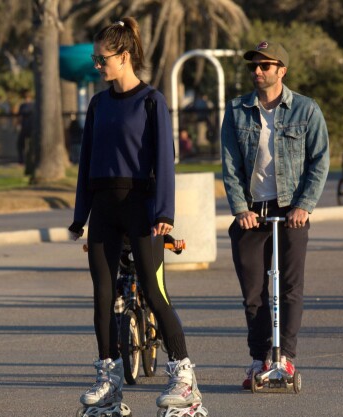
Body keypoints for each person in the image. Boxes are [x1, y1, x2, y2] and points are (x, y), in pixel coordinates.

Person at [68, 17, 205, 415]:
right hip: (104, 208)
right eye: (95, 58)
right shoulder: (97, 104)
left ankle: (184, 379)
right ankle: (108, 381)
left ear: (124, 56)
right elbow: (85, 164)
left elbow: (165, 159)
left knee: (153, 290)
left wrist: (164, 211)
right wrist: (80, 216)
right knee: (102, 296)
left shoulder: (151, 101)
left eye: (102, 58)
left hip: (142, 208)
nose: (97, 65)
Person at [221, 41, 330, 390]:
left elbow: (320, 160)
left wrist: (304, 205)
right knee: (254, 291)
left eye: (265, 66)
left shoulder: (306, 110)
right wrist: (240, 209)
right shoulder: (237, 110)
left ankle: (285, 358)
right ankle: (259, 357)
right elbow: (230, 165)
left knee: (290, 288)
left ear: (282, 70)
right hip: (252, 213)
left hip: (291, 210)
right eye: (254, 65)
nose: (257, 71)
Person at [16, 89, 35, 165]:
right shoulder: (22, 106)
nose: (26, 99)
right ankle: (21, 160)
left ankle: (32, 160)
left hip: (32, 127)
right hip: (24, 127)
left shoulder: (33, 105)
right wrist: (18, 125)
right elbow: (19, 116)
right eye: (25, 97)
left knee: (32, 145)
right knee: (20, 144)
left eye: (28, 97)